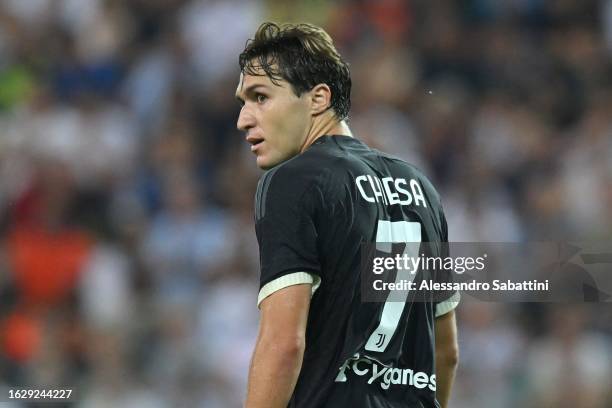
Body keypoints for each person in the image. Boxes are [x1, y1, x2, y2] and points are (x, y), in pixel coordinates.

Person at [235, 22, 459, 408]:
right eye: (243, 101)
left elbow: (284, 343)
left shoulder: (293, 182)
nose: (244, 119)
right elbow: (447, 351)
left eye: (260, 97)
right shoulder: (421, 188)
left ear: (318, 98)